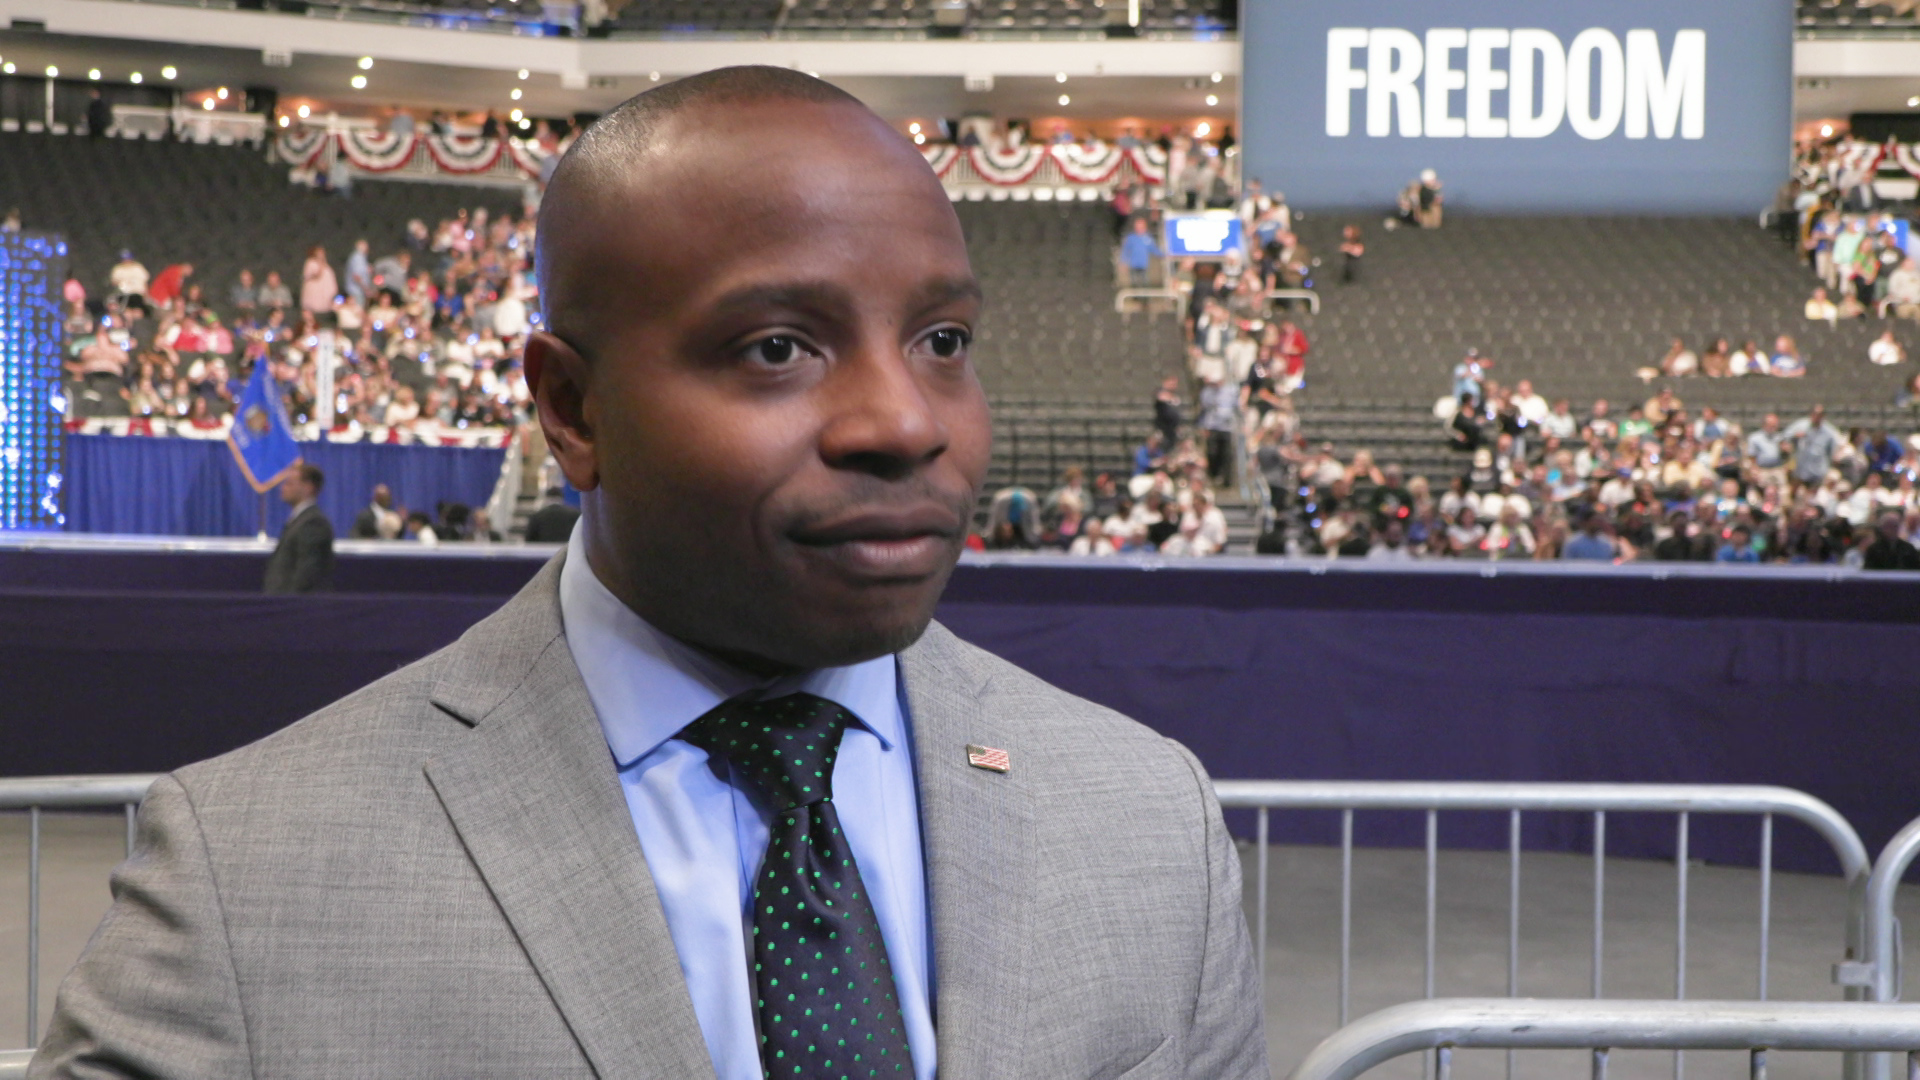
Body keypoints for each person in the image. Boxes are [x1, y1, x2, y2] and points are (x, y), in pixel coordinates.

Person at [36, 66, 1266, 1080]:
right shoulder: (247, 875)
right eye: (778, 347)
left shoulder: (1148, 823)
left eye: (943, 342)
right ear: (571, 408)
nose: (903, 420)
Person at [262, 462, 334, 593]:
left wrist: (288, 604)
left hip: (296, 607)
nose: (282, 488)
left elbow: (307, 572)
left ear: (308, 488)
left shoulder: (313, 523)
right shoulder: (299, 520)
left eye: (289, 483)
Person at [1120, 216, 1159, 288]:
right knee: (1134, 283)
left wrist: (1164, 254)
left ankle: (1145, 298)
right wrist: (1124, 262)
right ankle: (1136, 297)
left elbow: (1154, 249)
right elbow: (1126, 251)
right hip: (1133, 265)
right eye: (1137, 225)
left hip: (1144, 265)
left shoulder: (1148, 238)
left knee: (1145, 283)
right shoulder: (1131, 238)